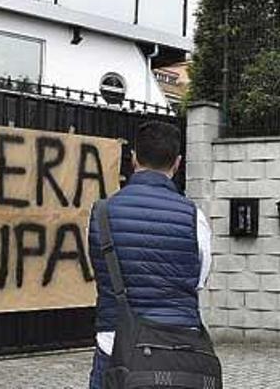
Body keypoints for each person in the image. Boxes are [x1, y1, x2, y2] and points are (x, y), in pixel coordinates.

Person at [87, 121, 212, 389]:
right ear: (177, 163)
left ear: (133, 158)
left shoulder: (101, 213)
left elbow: (101, 273)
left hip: (115, 349)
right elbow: (198, 280)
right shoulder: (194, 217)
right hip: (178, 352)